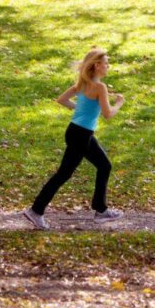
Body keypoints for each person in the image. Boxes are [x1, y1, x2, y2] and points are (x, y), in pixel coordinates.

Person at [23, 48, 125, 229]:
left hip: (76, 131)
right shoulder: (100, 87)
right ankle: (36, 211)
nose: (108, 66)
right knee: (64, 173)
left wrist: (78, 108)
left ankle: (100, 210)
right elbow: (108, 114)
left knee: (104, 165)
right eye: (106, 62)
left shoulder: (82, 84)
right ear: (97, 65)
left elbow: (61, 99)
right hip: (82, 134)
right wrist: (119, 103)